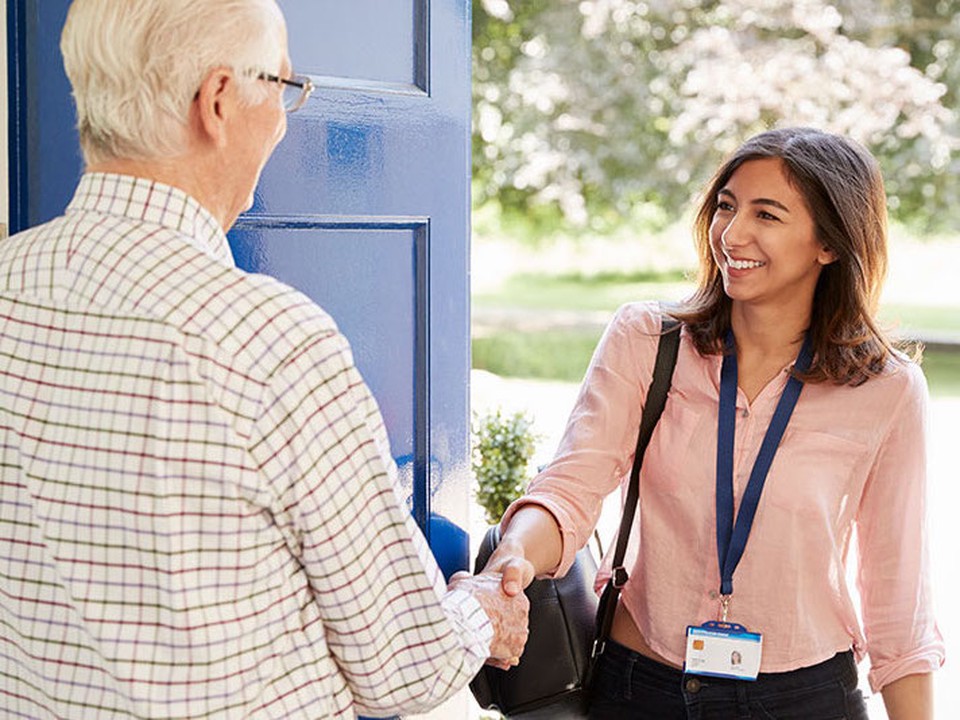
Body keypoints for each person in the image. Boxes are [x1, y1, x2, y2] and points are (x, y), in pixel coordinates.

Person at [0, 1, 528, 718]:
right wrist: (476, 613)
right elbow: (407, 669)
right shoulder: (271, 343)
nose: (284, 118)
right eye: (283, 88)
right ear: (218, 101)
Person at [483, 127, 944, 719]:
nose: (732, 233)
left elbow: (897, 597)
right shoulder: (647, 341)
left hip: (805, 698)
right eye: (726, 206)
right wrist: (513, 557)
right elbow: (570, 488)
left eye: (767, 214)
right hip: (640, 684)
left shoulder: (886, 389)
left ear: (829, 243)